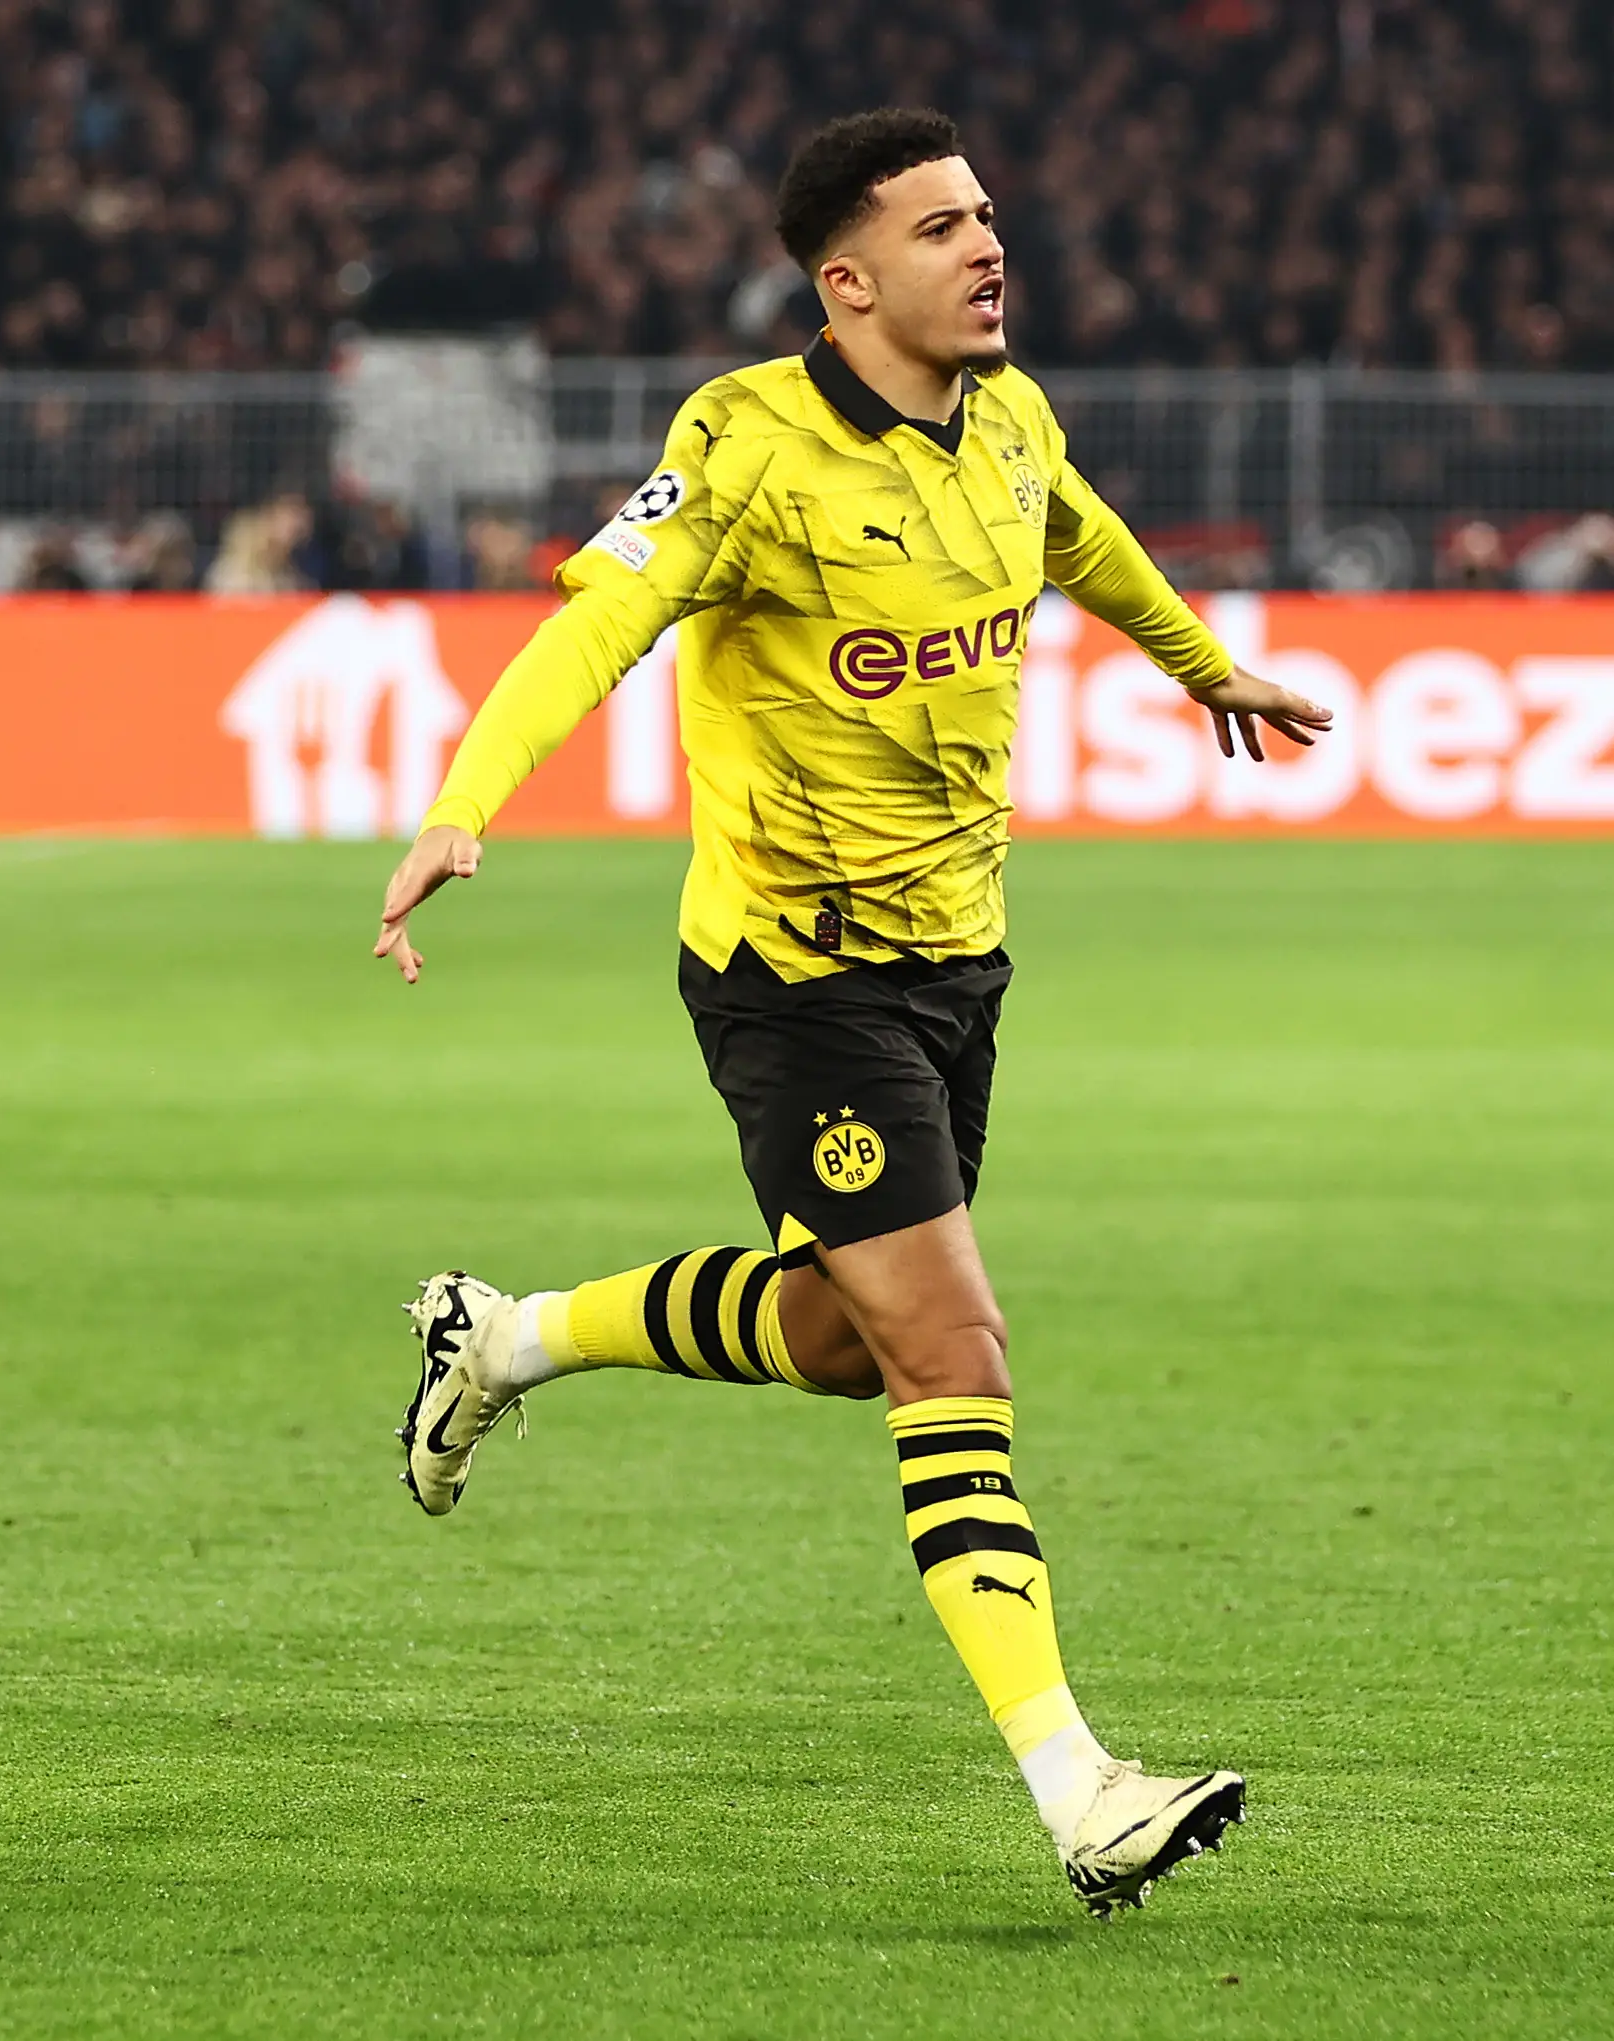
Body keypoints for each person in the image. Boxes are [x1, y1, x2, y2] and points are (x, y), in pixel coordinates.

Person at [370, 108, 1329, 1917]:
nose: (988, 246)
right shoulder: (743, 446)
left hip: (957, 960)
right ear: (847, 278)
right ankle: (1080, 1790)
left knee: (836, 1335)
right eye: (945, 225)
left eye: (989, 216)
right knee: (951, 1354)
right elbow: (595, 623)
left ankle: (499, 1339)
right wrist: (463, 800)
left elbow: (1082, 538)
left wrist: (1208, 669)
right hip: (794, 976)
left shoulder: (1011, 418)